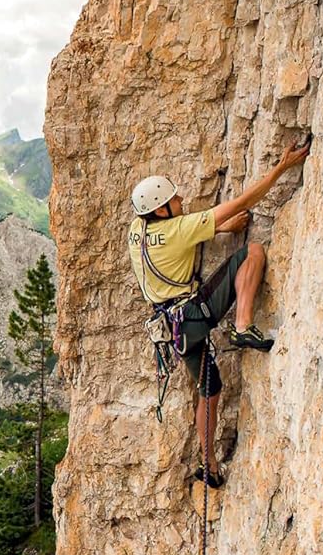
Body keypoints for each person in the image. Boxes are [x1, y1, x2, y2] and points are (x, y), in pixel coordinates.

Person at [128, 139, 310, 488]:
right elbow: (242, 202)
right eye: (174, 200)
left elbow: (174, 245)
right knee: (253, 251)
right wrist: (282, 167)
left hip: (172, 330)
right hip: (195, 314)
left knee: (208, 388)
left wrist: (221, 229)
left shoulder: (137, 231)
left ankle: (208, 462)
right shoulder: (179, 228)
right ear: (162, 210)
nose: (180, 201)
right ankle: (243, 325)